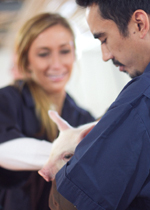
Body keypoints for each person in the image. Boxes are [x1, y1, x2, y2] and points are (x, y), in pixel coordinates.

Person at [53, 0, 150, 209]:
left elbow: (70, 201)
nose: (106, 56)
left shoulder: (140, 99)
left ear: (140, 24)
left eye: (104, 39)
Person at [0, 13, 95, 210]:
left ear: (74, 54)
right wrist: (69, 154)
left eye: (64, 51)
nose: (57, 64)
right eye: (44, 54)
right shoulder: (8, 100)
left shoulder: (82, 117)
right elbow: (4, 149)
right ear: (26, 61)